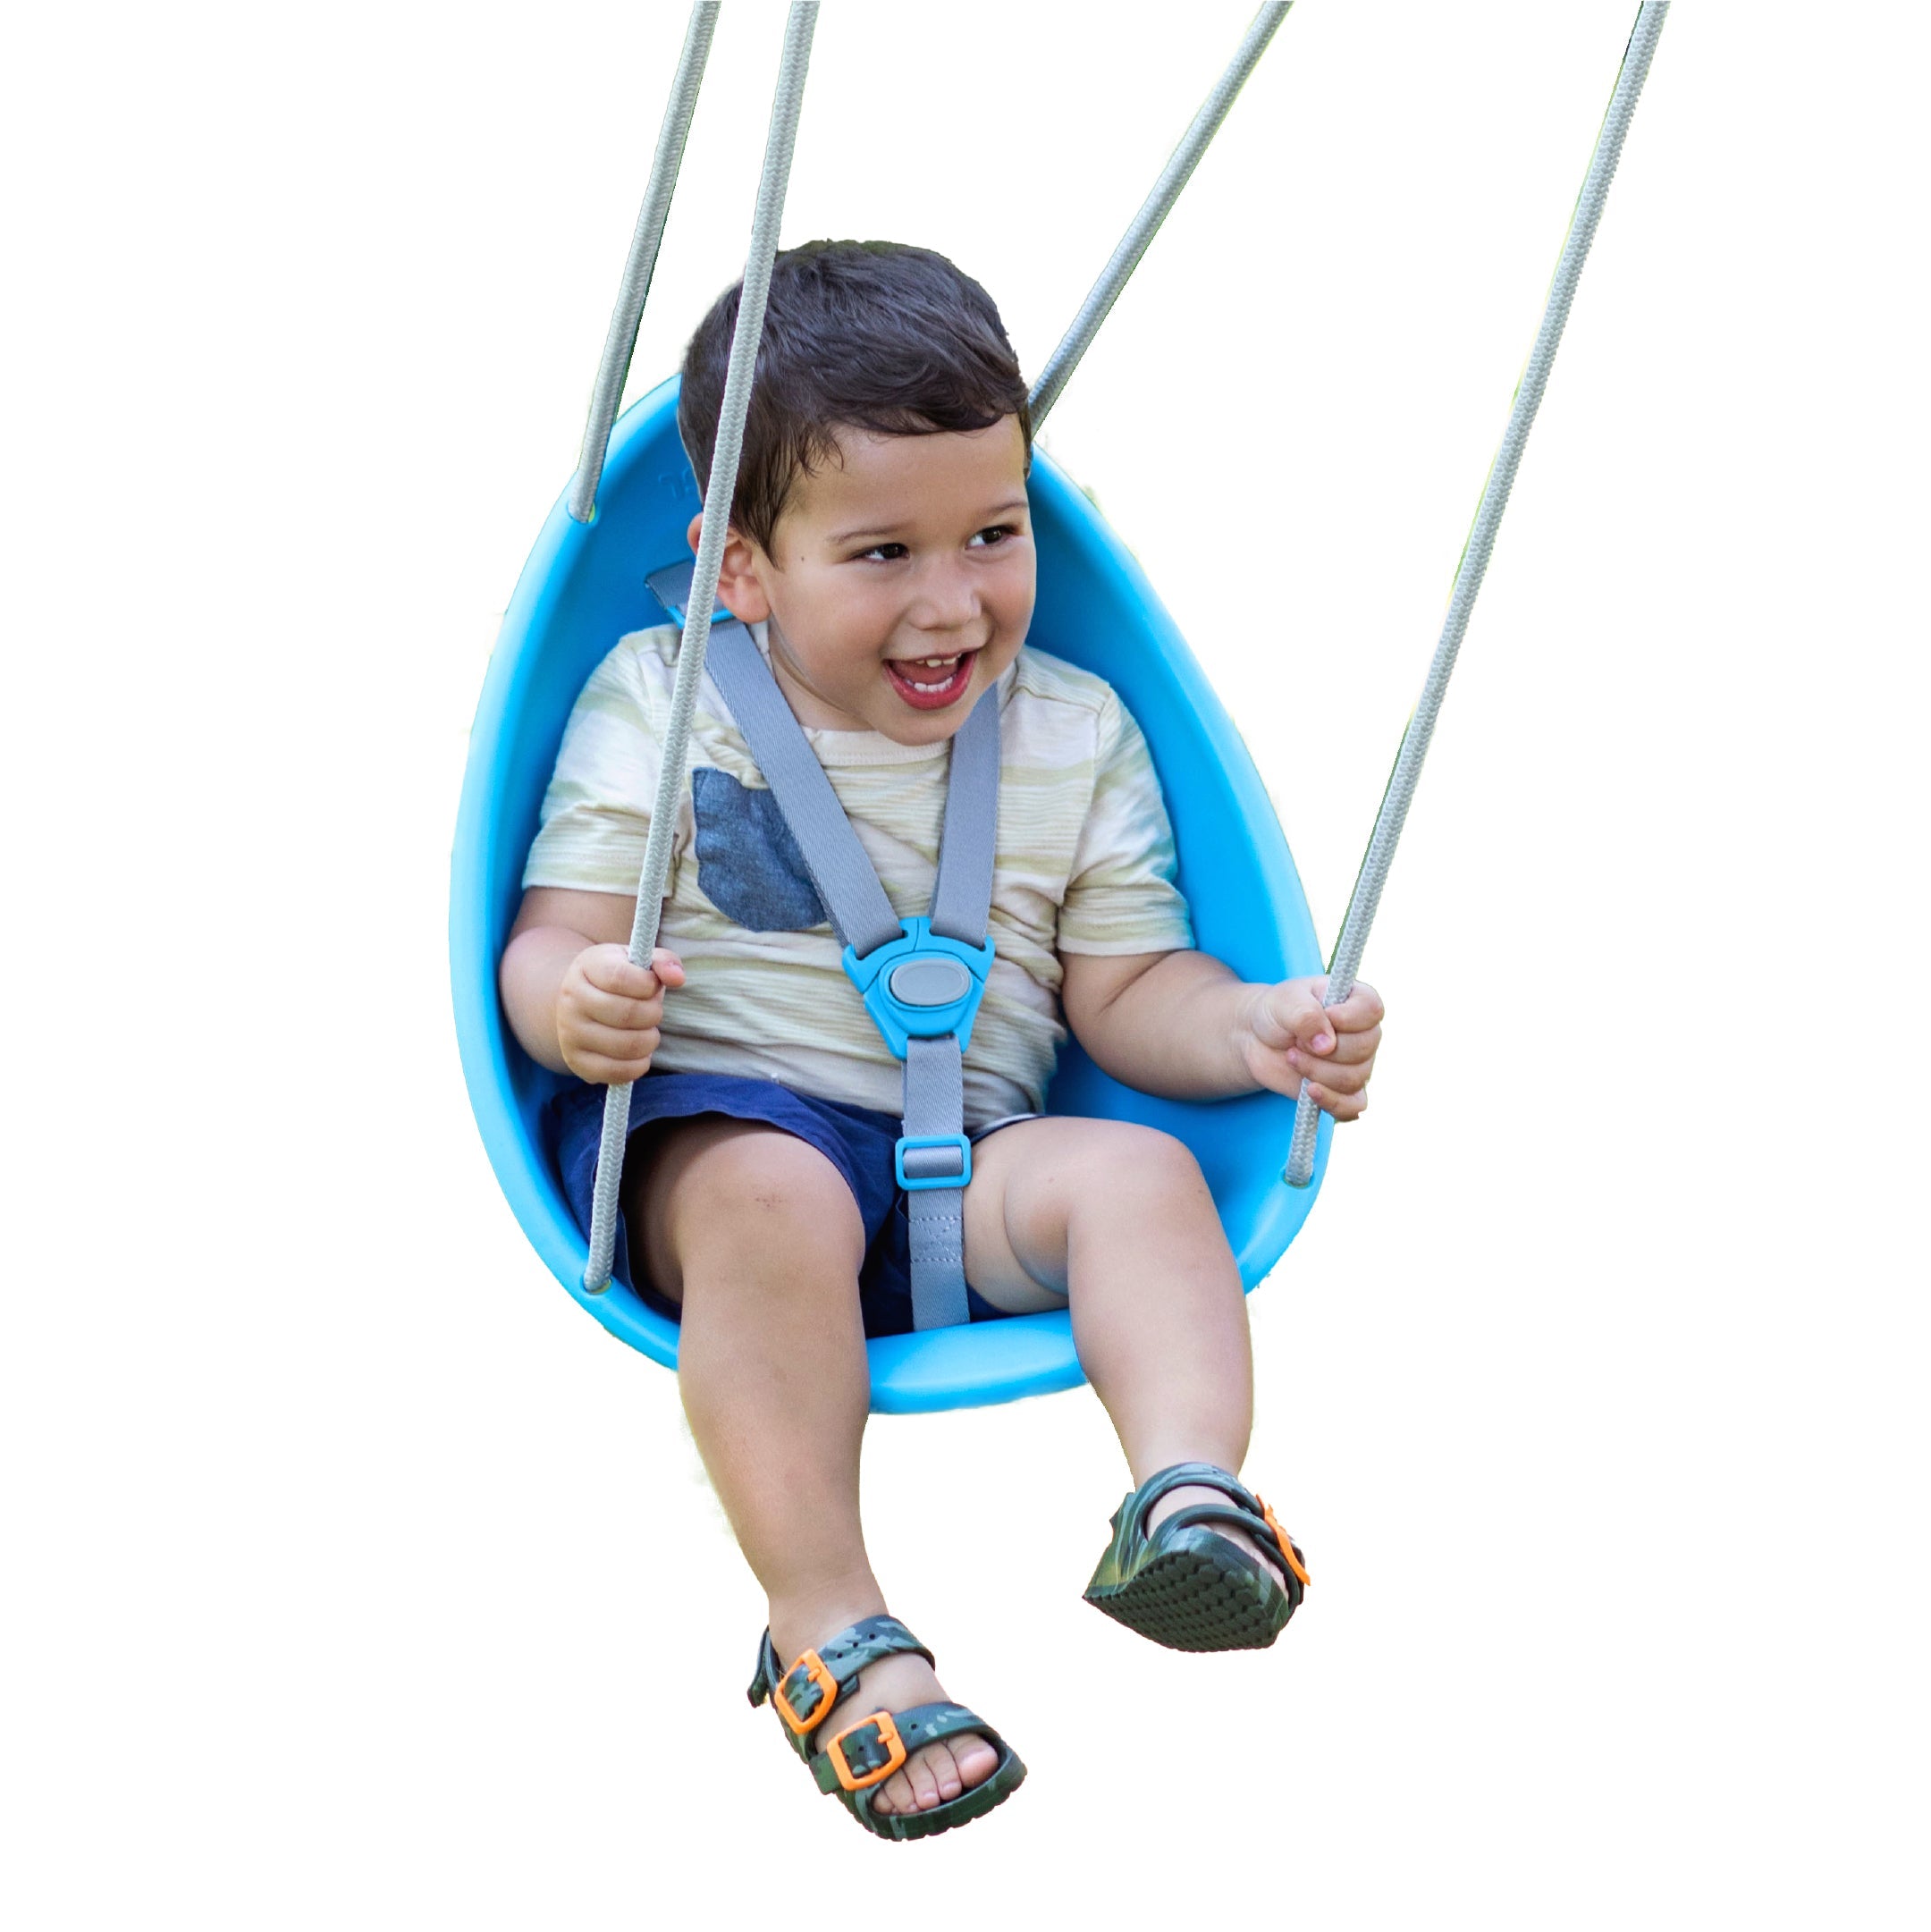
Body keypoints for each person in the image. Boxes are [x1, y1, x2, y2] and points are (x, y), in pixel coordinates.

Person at [499, 240, 1384, 1840]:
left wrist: (1254, 1031)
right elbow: (545, 940)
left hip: (966, 1171)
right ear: (739, 569)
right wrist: (574, 1000)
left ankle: (1188, 1491)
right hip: (719, 1144)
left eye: (993, 531)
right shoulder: (665, 697)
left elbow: (1128, 990)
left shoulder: (1074, 730)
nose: (951, 600)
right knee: (775, 1193)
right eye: (882, 552)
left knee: (1141, 1175)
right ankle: (827, 1622)